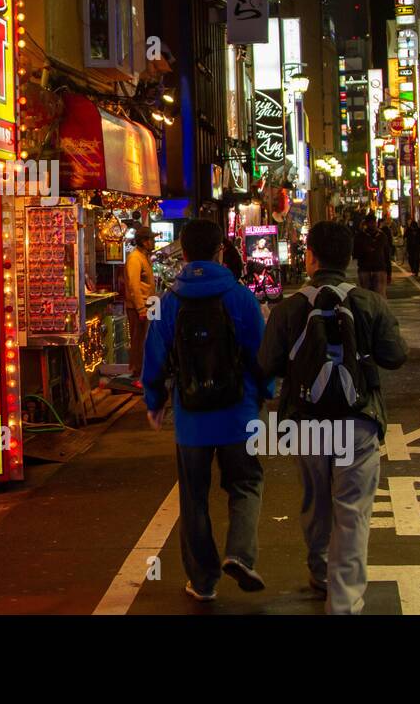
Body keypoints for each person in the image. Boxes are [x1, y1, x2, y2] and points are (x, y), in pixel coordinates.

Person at [258, 220, 409, 614]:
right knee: (353, 510)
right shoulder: (370, 303)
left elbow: (266, 364)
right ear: (349, 259)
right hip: (358, 419)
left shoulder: (289, 308)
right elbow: (395, 356)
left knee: (315, 502)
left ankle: (320, 570)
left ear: (310, 257)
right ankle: (343, 602)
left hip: (307, 422)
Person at [141, 219, 273, 601]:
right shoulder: (241, 298)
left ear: (183, 254)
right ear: (221, 251)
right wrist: (264, 392)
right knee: (246, 484)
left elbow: (154, 358)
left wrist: (155, 403)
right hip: (238, 415)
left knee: (194, 497)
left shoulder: (168, 302)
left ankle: (203, 581)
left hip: (192, 421)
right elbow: (260, 356)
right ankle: (240, 554)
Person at [124, 224, 156, 379]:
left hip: (149, 304)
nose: (153, 242)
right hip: (139, 307)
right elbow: (134, 286)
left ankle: (144, 371)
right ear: (144, 241)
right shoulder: (135, 258)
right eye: (151, 239)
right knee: (138, 341)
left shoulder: (144, 257)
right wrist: (141, 309)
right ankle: (137, 373)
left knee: (146, 340)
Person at [353, 213, 393, 297]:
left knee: (371, 296)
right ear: (366, 224)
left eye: (374, 222)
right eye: (371, 222)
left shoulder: (381, 236)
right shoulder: (362, 236)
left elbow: (387, 255)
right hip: (368, 269)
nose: (373, 224)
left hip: (376, 269)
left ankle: (375, 309)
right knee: (376, 296)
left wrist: (389, 272)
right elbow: (355, 253)